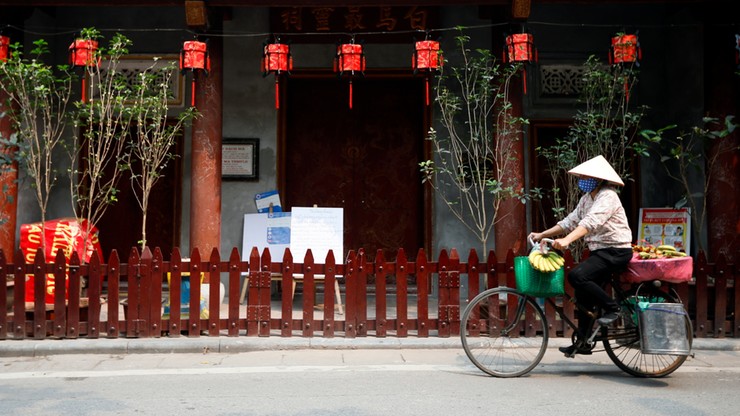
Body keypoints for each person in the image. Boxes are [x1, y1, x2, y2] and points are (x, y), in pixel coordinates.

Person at [528, 155, 633, 357]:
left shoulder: (608, 196)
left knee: (577, 276)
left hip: (616, 250)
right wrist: (543, 234)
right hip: (600, 251)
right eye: (582, 175)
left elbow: (590, 223)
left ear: (598, 178)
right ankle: (584, 342)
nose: (583, 179)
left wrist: (567, 241)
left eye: (587, 176)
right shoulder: (587, 198)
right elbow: (570, 221)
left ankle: (613, 308)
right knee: (584, 296)